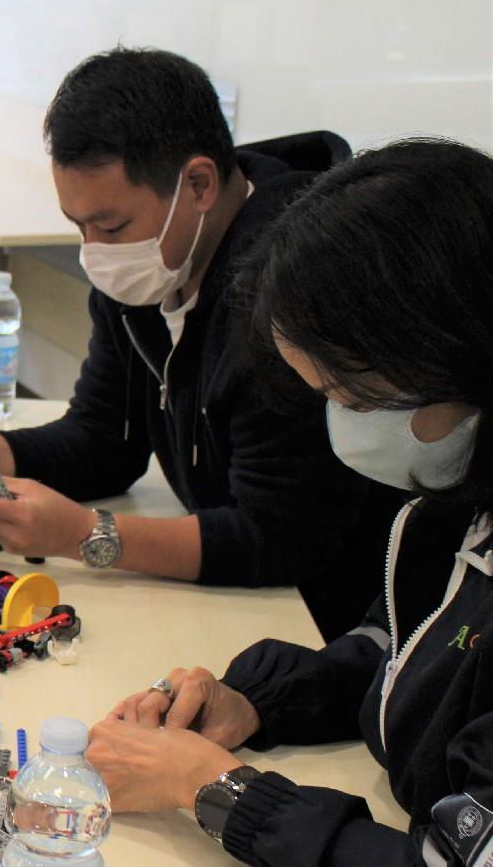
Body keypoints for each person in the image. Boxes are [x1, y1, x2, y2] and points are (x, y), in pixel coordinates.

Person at [84, 138, 493, 866]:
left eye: (356, 399)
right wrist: (259, 701)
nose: (343, 427)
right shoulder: (456, 498)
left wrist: (218, 791)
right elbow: (406, 654)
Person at [0, 47, 402, 640]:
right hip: (233, 593)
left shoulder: (297, 293)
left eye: (111, 226)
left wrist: (86, 536)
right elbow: (105, 439)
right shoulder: (152, 266)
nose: (94, 251)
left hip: (327, 624)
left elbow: (281, 539)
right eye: (78, 225)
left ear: (199, 184)